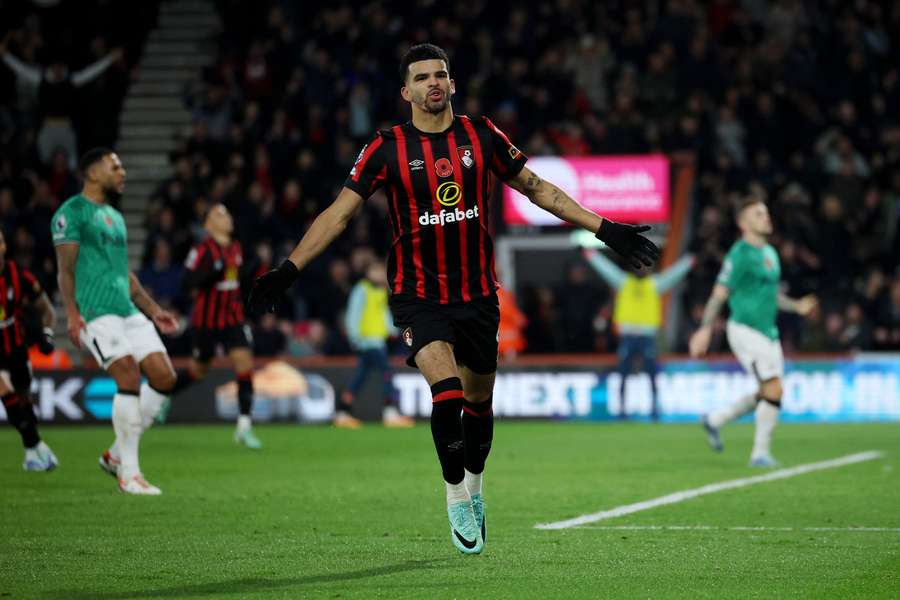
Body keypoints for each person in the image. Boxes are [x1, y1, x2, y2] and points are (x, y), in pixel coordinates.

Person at [248, 44, 658, 554]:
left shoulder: (480, 135)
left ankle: (477, 487)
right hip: (418, 295)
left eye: (440, 74)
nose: (432, 83)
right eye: (421, 78)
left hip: (478, 296)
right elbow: (338, 214)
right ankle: (455, 495)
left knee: (478, 403)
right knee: (444, 391)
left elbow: (537, 188)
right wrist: (290, 267)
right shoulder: (385, 147)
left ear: (452, 84)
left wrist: (605, 228)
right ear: (406, 91)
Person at [53, 148, 180, 495]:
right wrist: (73, 315)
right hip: (97, 312)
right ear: (93, 173)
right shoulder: (71, 213)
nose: (122, 171)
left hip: (127, 311)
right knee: (127, 373)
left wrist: (153, 310)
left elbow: (125, 274)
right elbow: (65, 270)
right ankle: (130, 474)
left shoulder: (115, 217)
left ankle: (114, 455)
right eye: (116, 166)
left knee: (165, 377)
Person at [689, 196, 816, 467]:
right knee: (774, 388)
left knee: (769, 391)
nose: (766, 218)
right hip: (745, 330)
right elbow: (719, 294)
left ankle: (715, 420)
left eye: (766, 213)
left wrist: (796, 306)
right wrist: (705, 329)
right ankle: (759, 453)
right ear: (743, 222)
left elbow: (772, 295)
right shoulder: (740, 254)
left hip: (768, 332)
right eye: (759, 214)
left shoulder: (770, 254)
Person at [171, 203, 262, 449]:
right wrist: (213, 271)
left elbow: (236, 281)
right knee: (198, 371)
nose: (227, 218)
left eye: (227, 213)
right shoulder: (202, 250)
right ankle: (163, 396)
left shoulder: (236, 248)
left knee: (245, 365)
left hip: (233, 318)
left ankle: (244, 426)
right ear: (208, 224)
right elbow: (187, 283)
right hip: (207, 322)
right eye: (220, 214)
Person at [583, 248, 693, 420]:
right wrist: (593, 256)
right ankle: (622, 411)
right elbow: (607, 270)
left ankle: (654, 411)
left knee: (651, 375)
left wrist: (687, 263)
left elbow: (672, 276)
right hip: (629, 337)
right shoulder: (625, 282)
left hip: (646, 338)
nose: (641, 269)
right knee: (624, 374)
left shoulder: (652, 284)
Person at [0, 230, 59, 470]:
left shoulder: (20, 277)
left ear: (4, 247)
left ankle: (32, 453)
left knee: (24, 401)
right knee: (4, 388)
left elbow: (48, 311)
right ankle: (35, 444)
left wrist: (46, 334)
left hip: (16, 345)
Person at [337, 261, 415, 429]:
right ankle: (390, 412)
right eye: (377, 271)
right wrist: (355, 337)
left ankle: (342, 412)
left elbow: (383, 313)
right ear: (368, 272)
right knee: (387, 373)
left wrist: (392, 330)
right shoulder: (361, 289)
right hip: (367, 341)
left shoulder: (379, 291)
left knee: (360, 376)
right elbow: (353, 314)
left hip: (378, 341)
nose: (381, 274)